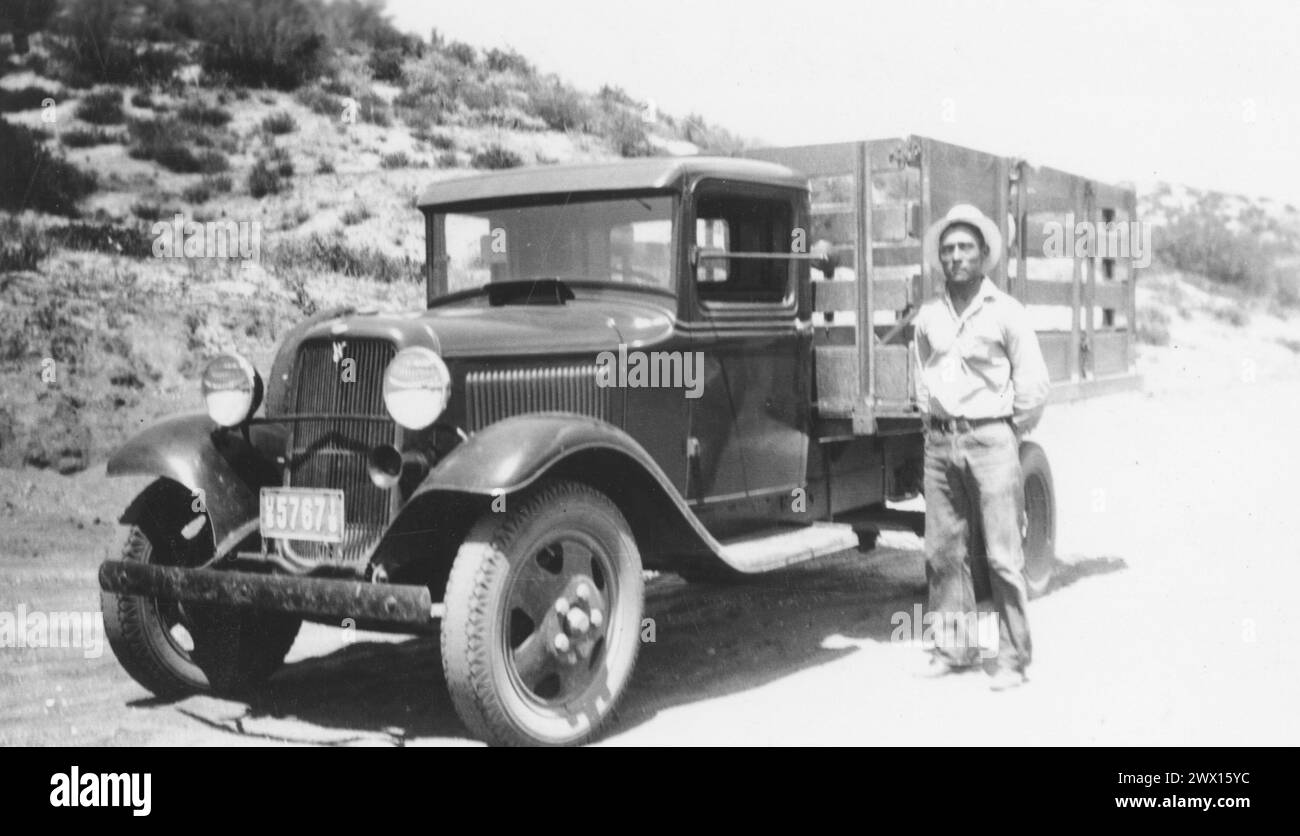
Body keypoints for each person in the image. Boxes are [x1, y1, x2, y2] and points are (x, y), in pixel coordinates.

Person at [912, 204, 1051, 691]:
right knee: (944, 551)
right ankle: (955, 649)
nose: (955, 256)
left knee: (1002, 554)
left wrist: (1006, 431)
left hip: (992, 437)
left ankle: (1012, 657)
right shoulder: (929, 315)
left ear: (984, 255)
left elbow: (1033, 384)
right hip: (940, 441)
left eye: (965, 247)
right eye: (947, 249)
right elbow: (923, 375)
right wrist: (934, 425)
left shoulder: (1007, 312)